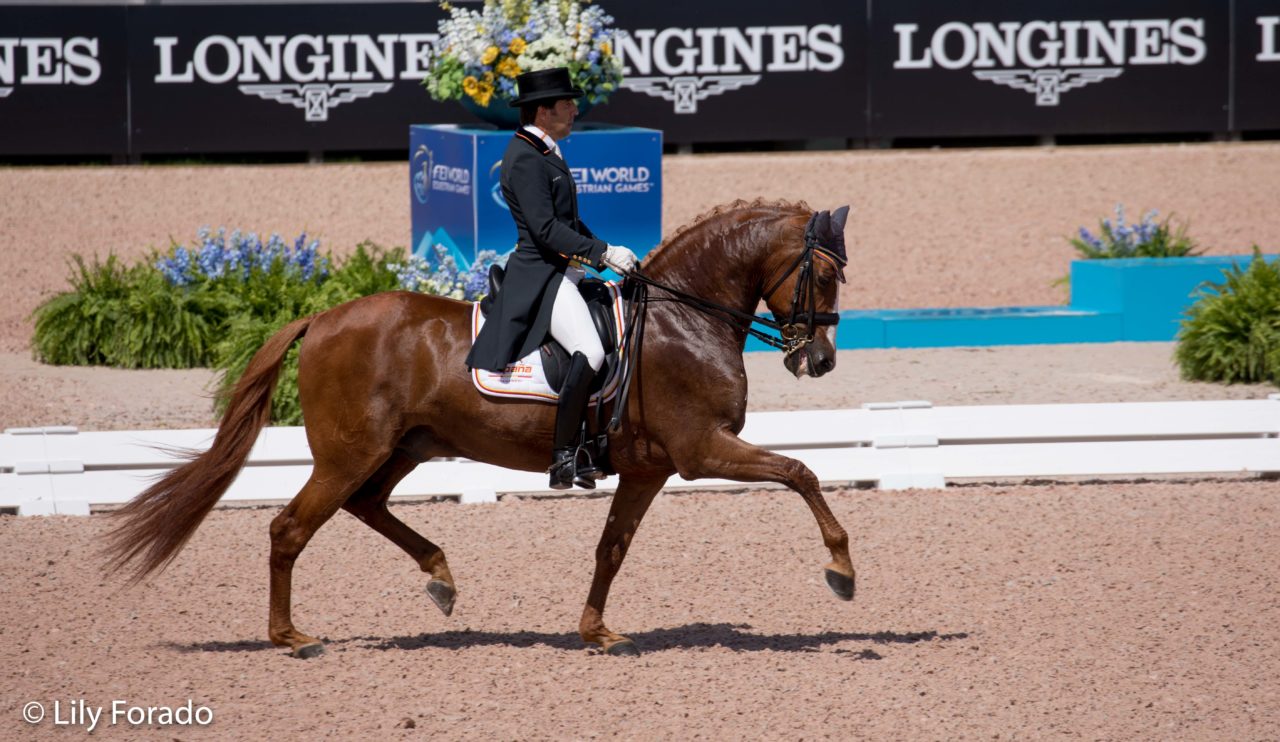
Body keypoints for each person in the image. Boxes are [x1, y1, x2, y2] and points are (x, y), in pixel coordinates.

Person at [464, 67, 638, 490]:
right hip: (542, 275)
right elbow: (545, 230)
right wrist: (601, 253)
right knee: (591, 351)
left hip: (565, 269)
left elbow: (570, 222)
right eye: (567, 104)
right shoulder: (524, 157)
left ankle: (593, 440)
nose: (575, 110)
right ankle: (565, 456)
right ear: (543, 111)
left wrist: (606, 251)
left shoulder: (544, 150)